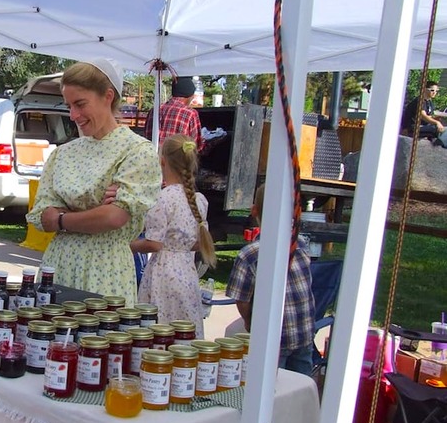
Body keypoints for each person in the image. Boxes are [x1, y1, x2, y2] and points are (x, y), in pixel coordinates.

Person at [26, 58, 161, 306]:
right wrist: (95, 211)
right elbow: (42, 216)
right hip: (59, 265)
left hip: (106, 267)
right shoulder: (63, 153)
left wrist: (63, 218)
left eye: (80, 104)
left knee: (97, 339)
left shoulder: (137, 151)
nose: (73, 115)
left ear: (108, 96)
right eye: (68, 106)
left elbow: (114, 218)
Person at [225, 184, 315, 375]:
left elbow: (241, 299)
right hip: (304, 333)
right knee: (300, 383)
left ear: (254, 210)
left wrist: (250, 322)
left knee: (271, 387)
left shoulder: (249, 254)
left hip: (274, 337)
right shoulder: (299, 244)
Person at [132, 135, 216, 338]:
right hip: (187, 271)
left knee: (160, 325)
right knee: (184, 326)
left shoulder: (163, 198)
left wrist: (130, 245)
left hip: (164, 272)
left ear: (162, 161)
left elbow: (154, 243)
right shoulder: (198, 200)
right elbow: (197, 242)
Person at [144, 76, 205, 153]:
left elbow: (147, 138)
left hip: (153, 160)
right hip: (176, 162)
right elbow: (195, 145)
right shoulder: (190, 114)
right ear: (190, 95)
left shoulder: (154, 110)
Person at [402, 80, 447, 147]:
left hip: (422, 127)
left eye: (436, 91)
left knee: (443, 129)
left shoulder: (429, 102)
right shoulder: (420, 101)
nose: (435, 92)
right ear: (425, 89)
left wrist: (437, 119)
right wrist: (436, 122)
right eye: (432, 90)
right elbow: (423, 116)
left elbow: (429, 117)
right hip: (412, 128)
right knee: (436, 130)